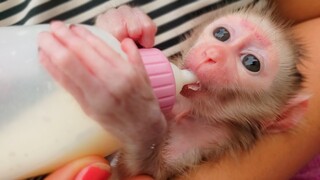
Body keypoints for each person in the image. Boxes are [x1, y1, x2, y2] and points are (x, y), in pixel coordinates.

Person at [41, 1, 320, 180]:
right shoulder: (164, 67)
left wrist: (143, 132)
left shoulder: (213, 136)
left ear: (280, 116)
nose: (214, 53)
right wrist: (111, 39)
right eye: (222, 35)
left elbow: (132, 171)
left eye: (251, 62)